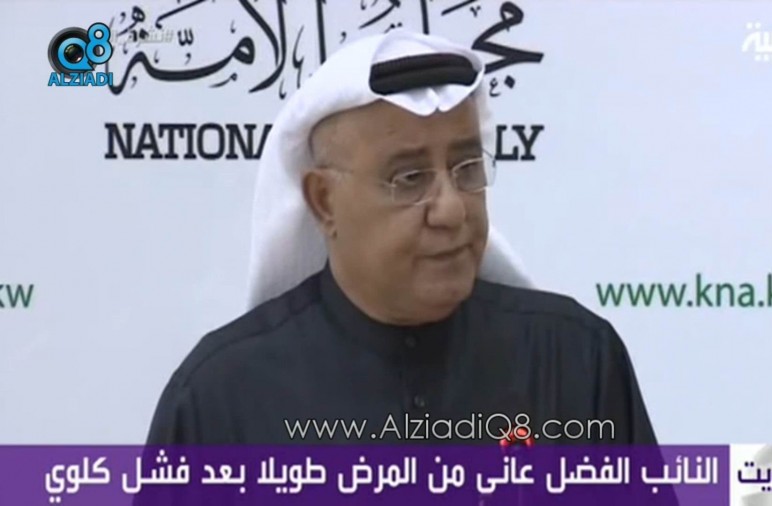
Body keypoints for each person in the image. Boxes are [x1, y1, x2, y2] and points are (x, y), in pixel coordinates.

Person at [145, 30, 660, 447]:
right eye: (409, 178)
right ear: (324, 202)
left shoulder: (575, 361)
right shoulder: (220, 399)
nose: (451, 209)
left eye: (467, 167)